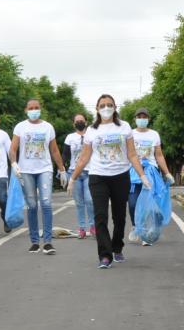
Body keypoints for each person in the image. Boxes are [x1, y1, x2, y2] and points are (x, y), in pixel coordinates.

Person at [68, 94, 149, 268]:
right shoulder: (91, 130)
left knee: (119, 217)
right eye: (103, 105)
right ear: (97, 109)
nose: (106, 108)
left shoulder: (124, 127)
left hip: (121, 176)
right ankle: (105, 255)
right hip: (98, 177)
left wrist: (142, 175)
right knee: (100, 216)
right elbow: (84, 157)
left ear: (115, 107)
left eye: (109, 104)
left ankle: (117, 247)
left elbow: (132, 154)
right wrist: (72, 178)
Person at [9, 99, 68, 254]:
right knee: (32, 205)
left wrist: (62, 169)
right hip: (26, 171)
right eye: (31, 108)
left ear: (40, 109)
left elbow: (54, 150)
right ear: (26, 110)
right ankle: (35, 241)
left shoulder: (47, 127)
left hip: (45, 169)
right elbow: (13, 149)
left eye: (36, 107)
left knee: (46, 203)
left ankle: (47, 242)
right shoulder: (20, 127)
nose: (34, 110)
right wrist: (14, 163)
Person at [127, 107, 175, 246]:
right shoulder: (130, 134)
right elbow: (127, 154)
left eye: (144, 117)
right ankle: (136, 227)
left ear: (148, 119)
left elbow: (158, 155)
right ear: (135, 119)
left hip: (151, 171)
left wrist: (167, 172)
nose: (142, 119)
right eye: (139, 116)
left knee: (148, 204)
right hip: (133, 172)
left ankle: (144, 234)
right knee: (133, 203)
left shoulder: (154, 134)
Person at [63, 113, 95, 239]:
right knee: (79, 203)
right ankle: (82, 228)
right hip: (74, 173)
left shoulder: (91, 135)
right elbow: (65, 155)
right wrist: (62, 170)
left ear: (86, 122)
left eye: (81, 120)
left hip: (89, 171)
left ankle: (93, 226)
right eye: (77, 121)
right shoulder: (70, 137)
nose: (79, 122)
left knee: (89, 200)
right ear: (73, 124)